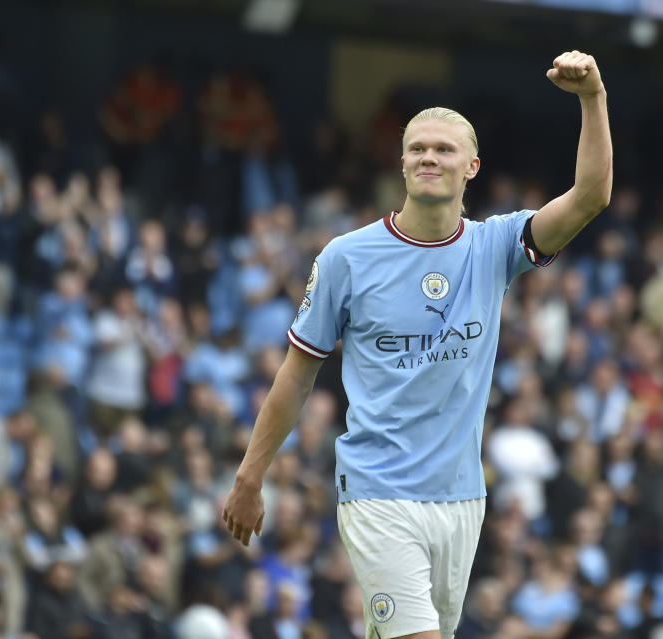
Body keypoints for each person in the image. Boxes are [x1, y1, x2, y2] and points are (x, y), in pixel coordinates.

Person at [222, 49, 612, 639]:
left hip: (462, 500)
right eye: (417, 148)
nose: (429, 156)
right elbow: (296, 376)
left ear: (472, 167)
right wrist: (251, 476)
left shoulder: (495, 246)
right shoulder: (346, 259)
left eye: (444, 149)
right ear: (402, 163)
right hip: (378, 492)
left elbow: (590, 197)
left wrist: (592, 98)